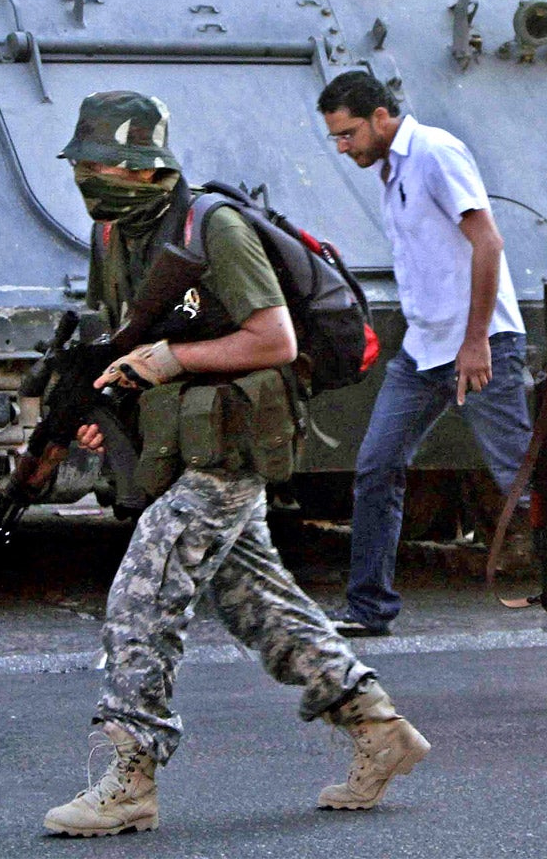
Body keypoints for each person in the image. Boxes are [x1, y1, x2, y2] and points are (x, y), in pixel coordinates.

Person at [42, 92, 427, 838]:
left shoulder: (211, 227)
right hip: (179, 439)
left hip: (234, 441)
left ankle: (131, 777)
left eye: (101, 163)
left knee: (143, 593)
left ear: (147, 166)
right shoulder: (113, 231)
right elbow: (126, 336)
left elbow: (274, 340)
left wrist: (170, 357)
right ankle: (378, 729)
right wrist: (107, 409)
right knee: (259, 604)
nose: (88, 177)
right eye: (81, 163)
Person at [315, 70, 547, 636]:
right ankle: (368, 607)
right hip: (423, 350)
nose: (344, 148)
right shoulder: (394, 168)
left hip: (480, 345)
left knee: (515, 470)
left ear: (380, 117)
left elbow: (488, 241)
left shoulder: (435, 153)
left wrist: (476, 343)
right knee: (376, 465)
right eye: (336, 139)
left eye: (348, 134)